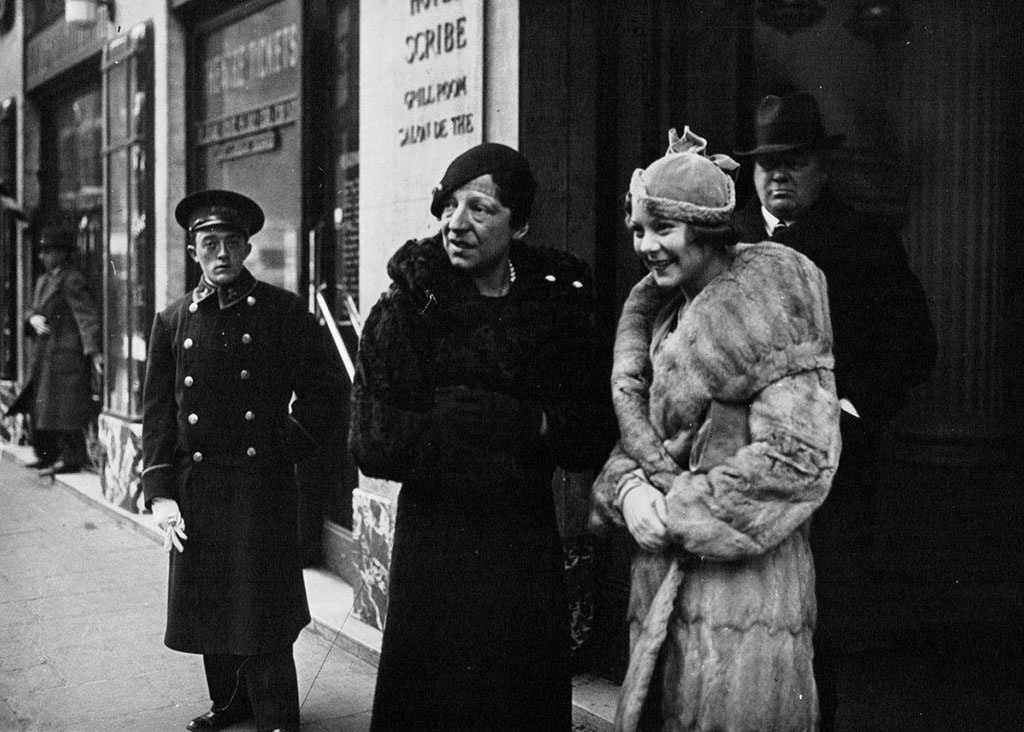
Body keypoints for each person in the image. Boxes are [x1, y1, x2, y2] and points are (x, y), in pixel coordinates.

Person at [348, 142, 615, 731]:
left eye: (480, 208)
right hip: (437, 552)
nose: (456, 223)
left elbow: (594, 429)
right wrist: (444, 430)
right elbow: (370, 439)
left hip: (523, 549)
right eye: (448, 206)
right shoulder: (410, 306)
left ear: (518, 223)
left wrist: (533, 424)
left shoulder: (556, 307)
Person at [589, 128, 841, 731]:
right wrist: (625, 491)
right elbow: (642, 442)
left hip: (745, 599)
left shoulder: (772, 307)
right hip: (661, 594)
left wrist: (674, 513)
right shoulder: (665, 314)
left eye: (661, 230)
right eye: (638, 231)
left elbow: (797, 461)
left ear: (704, 229)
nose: (646, 247)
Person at [732, 92, 937, 732]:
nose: (779, 175)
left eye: (795, 161)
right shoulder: (723, 241)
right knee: (740, 621)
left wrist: (847, 410)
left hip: (833, 474)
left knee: (820, 624)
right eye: (767, 164)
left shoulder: (863, 241)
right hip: (739, 466)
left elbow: (912, 346)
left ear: (821, 165)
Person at [141, 190, 344, 732]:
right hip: (198, 486)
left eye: (233, 242)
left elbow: (328, 390)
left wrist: (286, 447)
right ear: (192, 250)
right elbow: (157, 412)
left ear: (249, 246)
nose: (223, 253)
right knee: (211, 605)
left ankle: (277, 714)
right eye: (210, 243)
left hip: (261, 485)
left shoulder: (281, 312)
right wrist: (160, 493)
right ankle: (232, 704)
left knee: (261, 609)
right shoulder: (173, 320)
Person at [9, 224, 101, 475]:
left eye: (47, 251)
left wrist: (93, 351)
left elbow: (86, 316)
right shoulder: (43, 281)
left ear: (61, 253)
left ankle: (70, 458)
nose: (42, 256)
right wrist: (32, 319)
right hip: (45, 354)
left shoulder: (71, 279)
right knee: (43, 408)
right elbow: (31, 308)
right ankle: (47, 456)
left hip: (64, 356)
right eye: (42, 252)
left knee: (63, 410)